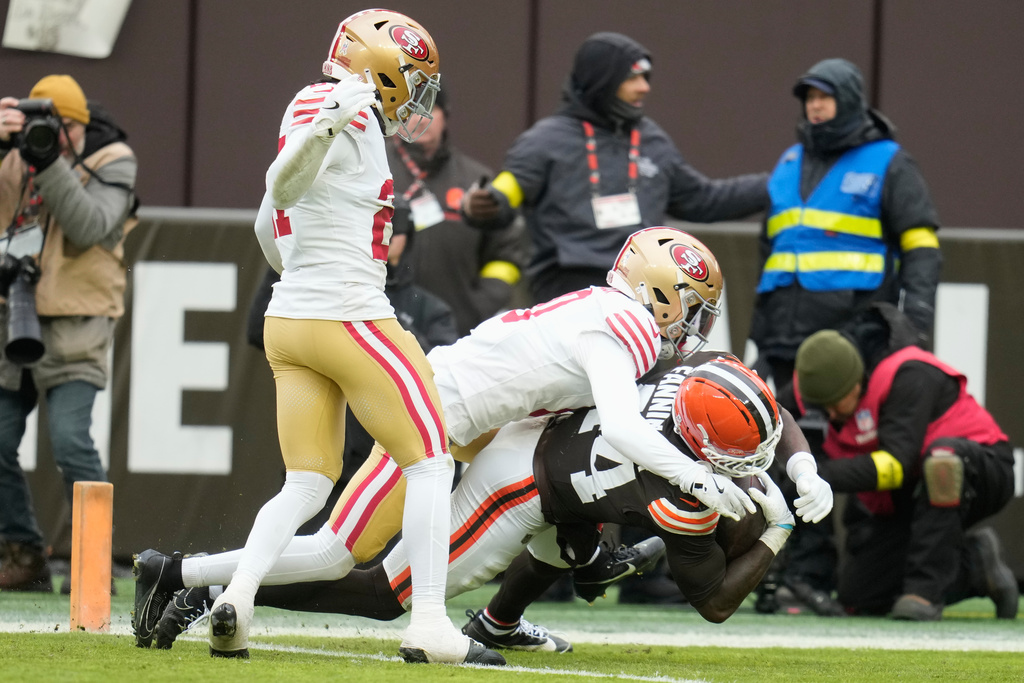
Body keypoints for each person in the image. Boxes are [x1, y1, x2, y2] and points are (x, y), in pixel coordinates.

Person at [135, 227, 834, 649]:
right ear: (663, 295)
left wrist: (800, 470)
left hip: (477, 423)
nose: (696, 325)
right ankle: (190, 574)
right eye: (693, 307)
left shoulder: (626, 322)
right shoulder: (625, 329)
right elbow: (622, 425)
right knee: (339, 549)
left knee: (551, 531)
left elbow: (732, 393)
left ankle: (561, 576)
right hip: (437, 413)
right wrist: (700, 478)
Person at [133, 10, 501, 666]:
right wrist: (333, 120)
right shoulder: (338, 106)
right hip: (348, 314)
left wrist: (301, 274)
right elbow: (280, 185)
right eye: (411, 80)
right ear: (382, 68)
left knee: (305, 484)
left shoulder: (330, 106)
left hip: (292, 319)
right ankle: (430, 622)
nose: (416, 100)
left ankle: (236, 600)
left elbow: (265, 228)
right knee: (430, 459)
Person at [155, 354, 812, 651]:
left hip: (538, 441)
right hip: (518, 485)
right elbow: (715, 600)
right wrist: (779, 525)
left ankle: (497, 624)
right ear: (699, 445)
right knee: (385, 592)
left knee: (572, 541)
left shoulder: (698, 370)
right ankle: (213, 585)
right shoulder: (681, 498)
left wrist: (801, 463)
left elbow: (764, 419)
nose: (757, 462)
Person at [748, 57, 943, 616]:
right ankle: (795, 576)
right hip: (784, 333)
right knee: (784, 456)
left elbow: (923, 246)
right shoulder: (789, 162)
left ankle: (829, 574)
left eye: (824, 95)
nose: (813, 104)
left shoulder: (888, 162)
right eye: (807, 95)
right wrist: (762, 328)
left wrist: (917, 322)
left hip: (851, 335)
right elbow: (773, 251)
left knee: (835, 454)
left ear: (851, 99)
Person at [462, 31, 768, 304]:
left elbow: (703, 201)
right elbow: (504, 193)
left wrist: (776, 184)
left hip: (641, 288)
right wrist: (482, 205)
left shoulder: (652, 139)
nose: (644, 87)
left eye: (646, 78)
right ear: (601, 80)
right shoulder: (544, 141)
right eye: (632, 78)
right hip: (568, 289)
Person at [0, 75, 137, 591]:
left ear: (80, 125)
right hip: (14, 311)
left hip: (78, 317)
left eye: (63, 128)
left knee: (70, 440)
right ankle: (23, 553)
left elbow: (89, 226)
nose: (53, 135)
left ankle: (92, 566)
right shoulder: (10, 151)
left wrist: (46, 160)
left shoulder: (113, 157)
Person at [793, 321, 1018, 621]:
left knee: (941, 464)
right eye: (823, 408)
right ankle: (974, 566)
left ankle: (923, 594)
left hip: (983, 466)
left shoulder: (909, 374)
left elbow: (894, 466)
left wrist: (813, 474)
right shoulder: (814, 393)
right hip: (914, 493)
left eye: (835, 404)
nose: (830, 416)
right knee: (857, 595)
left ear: (857, 381)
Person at [387, 87, 524, 336]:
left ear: (445, 115)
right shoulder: (372, 171)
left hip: (456, 330)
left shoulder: (476, 180)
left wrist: (476, 307)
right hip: (381, 324)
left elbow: (507, 253)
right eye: (410, 111)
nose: (420, 118)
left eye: (429, 109)